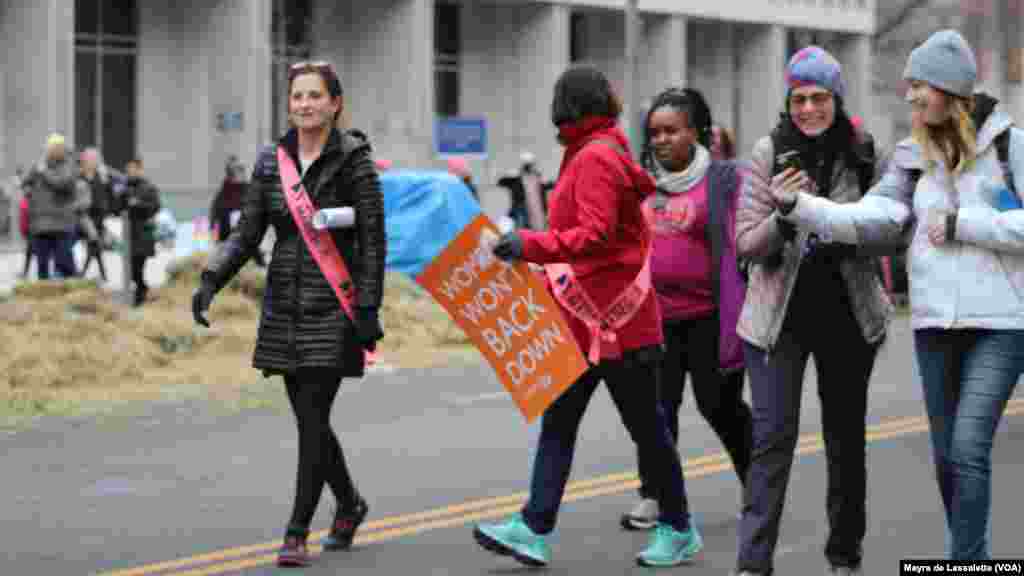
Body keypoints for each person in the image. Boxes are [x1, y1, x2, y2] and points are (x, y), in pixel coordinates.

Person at [772, 30, 1024, 561]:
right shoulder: (913, 156)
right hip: (934, 327)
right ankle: (971, 556)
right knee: (945, 458)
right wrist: (802, 207)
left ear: (948, 88)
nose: (909, 97)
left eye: (918, 86)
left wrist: (963, 223)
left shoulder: (1009, 146)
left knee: (969, 447)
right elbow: (873, 216)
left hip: (1001, 324)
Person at [471, 64, 703, 568]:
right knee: (562, 422)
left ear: (571, 105)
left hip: (619, 326)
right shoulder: (595, 151)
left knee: (647, 432)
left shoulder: (595, 158)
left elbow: (595, 236)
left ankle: (679, 527)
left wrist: (527, 244)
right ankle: (533, 526)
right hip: (590, 321)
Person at [191, 59, 386, 568]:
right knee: (310, 419)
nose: (304, 104)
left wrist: (368, 306)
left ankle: (297, 530)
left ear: (334, 103)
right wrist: (212, 278)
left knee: (312, 419)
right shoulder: (269, 162)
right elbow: (247, 231)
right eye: (297, 96)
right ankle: (348, 503)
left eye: (314, 95)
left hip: (335, 305)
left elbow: (373, 239)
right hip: (284, 306)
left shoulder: (354, 160)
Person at [732, 46, 891, 575]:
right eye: (798, 98)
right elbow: (745, 242)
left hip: (848, 317)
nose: (807, 109)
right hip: (779, 321)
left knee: (845, 443)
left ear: (837, 99)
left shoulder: (865, 152)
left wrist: (843, 224)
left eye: (819, 97)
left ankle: (844, 558)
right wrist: (782, 216)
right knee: (771, 441)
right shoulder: (767, 151)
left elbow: (891, 230)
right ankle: (753, 565)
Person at [619, 86, 752, 531]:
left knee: (719, 405)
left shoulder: (722, 179)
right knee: (656, 408)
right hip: (654, 316)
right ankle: (655, 494)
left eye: (671, 131)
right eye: (654, 132)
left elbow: (744, 237)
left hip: (710, 316)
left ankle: (758, 484)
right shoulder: (641, 181)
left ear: (694, 133)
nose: (661, 140)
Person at [26, 133, 79, 280]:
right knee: (42, 267)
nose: (51, 151)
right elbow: (27, 183)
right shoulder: (40, 165)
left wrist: (44, 172)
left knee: (63, 265)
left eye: (55, 148)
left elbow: (62, 183)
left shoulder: (69, 166)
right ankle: (44, 299)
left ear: (62, 149)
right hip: (41, 224)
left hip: (61, 224)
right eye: (49, 148)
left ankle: (68, 295)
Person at [117, 158, 161, 306]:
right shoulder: (124, 188)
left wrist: (138, 205)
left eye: (133, 169)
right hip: (129, 234)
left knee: (138, 267)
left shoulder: (148, 187)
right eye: (128, 170)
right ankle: (143, 292)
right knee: (130, 270)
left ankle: (140, 297)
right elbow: (118, 208)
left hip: (143, 233)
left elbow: (155, 206)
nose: (130, 173)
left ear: (140, 170)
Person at [78, 148, 113, 282]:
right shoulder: (79, 176)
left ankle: (86, 274)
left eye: (94, 160)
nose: (91, 163)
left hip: (98, 216)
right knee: (94, 244)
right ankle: (100, 274)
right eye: (88, 160)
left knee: (94, 244)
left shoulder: (102, 177)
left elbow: (109, 195)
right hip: (83, 216)